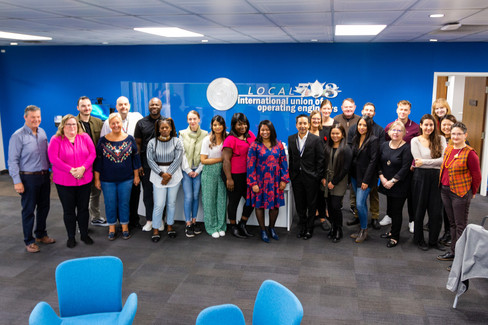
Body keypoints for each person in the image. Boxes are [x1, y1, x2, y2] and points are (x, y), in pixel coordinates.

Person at [8, 105, 55, 253]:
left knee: (44, 207)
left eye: (38, 117)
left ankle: (41, 234)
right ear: (25, 117)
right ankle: (29, 241)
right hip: (27, 178)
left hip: (44, 176)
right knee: (28, 210)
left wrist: (51, 170)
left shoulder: (42, 132)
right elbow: (12, 161)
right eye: (33, 117)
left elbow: (46, 154)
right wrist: (17, 181)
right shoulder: (18, 136)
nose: (36, 120)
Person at [437, 122, 481, 271]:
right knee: (452, 224)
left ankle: (460, 258)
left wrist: (473, 192)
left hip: (460, 193)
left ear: (465, 135)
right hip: (445, 190)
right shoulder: (449, 148)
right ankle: (453, 252)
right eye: (453, 133)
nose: (455, 136)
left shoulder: (470, 153)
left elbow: (477, 175)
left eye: (459, 134)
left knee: (460, 225)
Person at [48, 114, 96, 248]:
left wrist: (83, 168)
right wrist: (71, 170)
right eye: (68, 124)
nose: (72, 127)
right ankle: (71, 236)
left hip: (84, 179)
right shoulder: (56, 139)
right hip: (64, 182)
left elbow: (92, 154)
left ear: (78, 125)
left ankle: (84, 234)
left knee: (83, 209)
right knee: (69, 210)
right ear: (63, 126)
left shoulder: (84, 137)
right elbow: (53, 159)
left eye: (74, 124)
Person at [94, 113, 141, 241]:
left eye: (118, 123)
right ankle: (112, 228)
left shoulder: (130, 139)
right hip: (107, 179)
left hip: (126, 178)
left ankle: (125, 227)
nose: (116, 125)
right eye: (113, 123)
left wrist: (136, 176)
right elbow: (97, 161)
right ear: (109, 125)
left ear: (121, 123)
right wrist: (97, 179)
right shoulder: (103, 141)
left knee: (124, 203)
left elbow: (135, 159)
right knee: (110, 203)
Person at [101, 96, 143, 230]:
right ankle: (119, 222)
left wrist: (138, 167)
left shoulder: (137, 117)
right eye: (120, 105)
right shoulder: (109, 122)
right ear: (116, 106)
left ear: (129, 105)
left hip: (131, 163)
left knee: (133, 194)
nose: (123, 107)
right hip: (113, 165)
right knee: (113, 199)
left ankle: (133, 220)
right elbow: (102, 144)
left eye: (125, 104)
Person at [247, 120, 289, 243]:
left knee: (275, 205)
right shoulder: (254, 145)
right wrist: (253, 183)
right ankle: (263, 230)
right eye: (262, 130)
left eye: (267, 129)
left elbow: (284, 164)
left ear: (271, 130)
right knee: (259, 205)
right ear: (259, 131)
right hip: (260, 180)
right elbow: (250, 165)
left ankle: (272, 228)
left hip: (275, 180)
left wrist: (284, 180)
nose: (265, 132)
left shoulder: (279, 144)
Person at [380, 100, 419, 231]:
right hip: (393, 167)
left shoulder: (416, 128)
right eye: (400, 109)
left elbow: (419, 146)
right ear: (397, 110)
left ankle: (412, 220)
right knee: (391, 195)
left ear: (409, 111)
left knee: (410, 195)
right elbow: (387, 148)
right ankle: (389, 215)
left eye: (405, 110)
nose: (403, 112)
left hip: (410, 168)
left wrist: (413, 164)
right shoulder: (389, 126)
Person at [410, 114, 446, 251]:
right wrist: (432, 162)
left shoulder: (441, 139)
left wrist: (425, 162)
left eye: (431, 125)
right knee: (419, 209)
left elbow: (443, 160)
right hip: (420, 177)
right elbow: (417, 161)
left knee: (436, 212)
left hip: (437, 177)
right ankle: (419, 240)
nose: (428, 127)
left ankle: (433, 241)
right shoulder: (415, 141)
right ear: (421, 125)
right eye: (426, 125)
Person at [346, 102, 385, 229]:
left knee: (373, 195)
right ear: (362, 111)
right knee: (356, 197)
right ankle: (358, 217)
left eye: (371, 110)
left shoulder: (378, 131)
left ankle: (374, 218)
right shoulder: (354, 131)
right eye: (366, 110)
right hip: (355, 172)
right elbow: (350, 149)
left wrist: (372, 175)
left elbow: (378, 154)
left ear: (374, 113)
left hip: (370, 171)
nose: (368, 112)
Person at [288, 114, 325, 240]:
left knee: (311, 203)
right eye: (300, 123)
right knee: (299, 204)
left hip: (311, 178)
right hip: (297, 177)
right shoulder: (291, 139)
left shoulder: (315, 139)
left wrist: (317, 176)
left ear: (308, 124)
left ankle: (309, 228)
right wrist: (292, 175)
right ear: (296, 125)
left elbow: (321, 160)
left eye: (305, 123)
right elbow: (292, 158)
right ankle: (302, 226)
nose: (302, 126)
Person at [146, 118, 183, 242]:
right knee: (159, 204)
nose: (165, 130)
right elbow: (150, 160)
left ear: (171, 128)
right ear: (158, 129)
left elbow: (178, 159)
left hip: (174, 175)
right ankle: (156, 229)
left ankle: (170, 226)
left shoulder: (177, 142)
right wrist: (162, 174)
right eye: (162, 128)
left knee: (171, 203)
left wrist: (168, 174)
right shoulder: (152, 142)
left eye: (167, 127)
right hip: (158, 175)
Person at [377, 121, 413, 248]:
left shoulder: (407, 148)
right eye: (394, 130)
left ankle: (395, 237)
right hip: (386, 182)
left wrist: (392, 181)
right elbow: (379, 163)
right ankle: (392, 231)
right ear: (389, 131)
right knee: (391, 209)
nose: (396, 133)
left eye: (399, 130)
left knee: (397, 211)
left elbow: (405, 168)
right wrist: (382, 178)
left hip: (399, 185)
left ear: (404, 133)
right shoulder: (384, 145)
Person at [222, 113, 256, 238]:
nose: (243, 126)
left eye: (245, 123)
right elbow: (226, 160)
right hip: (234, 175)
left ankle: (242, 223)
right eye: (239, 124)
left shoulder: (250, 135)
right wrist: (229, 179)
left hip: (248, 174)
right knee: (234, 201)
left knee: (252, 199)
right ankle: (233, 226)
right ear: (234, 125)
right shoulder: (230, 139)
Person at [134, 97, 164, 232]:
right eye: (152, 104)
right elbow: (138, 145)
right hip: (146, 165)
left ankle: (160, 219)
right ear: (148, 106)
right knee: (148, 193)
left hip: (163, 165)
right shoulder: (141, 123)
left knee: (161, 195)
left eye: (157, 104)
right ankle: (150, 220)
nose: (154, 106)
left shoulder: (166, 122)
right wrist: (139, 164)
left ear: (161, 106)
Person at [76, 96, 105, 226]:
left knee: (95, 193)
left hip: (96, 164)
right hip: (81, 165)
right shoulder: (73, 123)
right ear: (78, 108)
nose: (86, 108)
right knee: (82, 195)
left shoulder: (99, 122)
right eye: (83, 106)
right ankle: (82, 222)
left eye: (88, 105)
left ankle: (96, 217)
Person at [349, 115, 379, 243]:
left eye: (364, 125)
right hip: (355, 176)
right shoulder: (356, 137)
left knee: (360, 204)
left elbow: (373, 161)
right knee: (361, 204)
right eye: (360, 125)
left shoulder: (373, 140)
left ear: (369, 127)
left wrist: (366, 181)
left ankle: (364, 229)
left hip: (366, 179)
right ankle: (362, 229)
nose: (361, 127)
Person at [179, 110, 208, 238]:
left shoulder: (206, 135)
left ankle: (195, 221)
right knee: (188, 197)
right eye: (190, 119)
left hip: (199, 170)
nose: (192, 121)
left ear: (199, 119)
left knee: (196, 196)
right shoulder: (182, 134)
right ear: (187, 120)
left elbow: (205, 153)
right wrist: (188, 170)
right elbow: (182, 154)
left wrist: (198, 171)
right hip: (186, 171)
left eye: (194, 119)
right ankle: (188, 223)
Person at [322, 123, 352, 243]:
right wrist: (323, 178)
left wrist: (334, 182)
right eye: (333, 133)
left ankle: (339, 229)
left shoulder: (346, 148)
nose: (335, 135)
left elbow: (345, 168)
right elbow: (323, 164)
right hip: (326, 180)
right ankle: (333, 227)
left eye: (337, 133)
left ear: (342, 134)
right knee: (329, 205)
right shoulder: (327, 146)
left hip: (339, 180)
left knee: (335, 205)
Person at [200, 115, 228, 238]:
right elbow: (203, 160)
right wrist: (221, 159)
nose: (217, 127)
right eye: (215, 124)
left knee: (221, 200)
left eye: (219, 124)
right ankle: (211, 227)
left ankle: (221, 226)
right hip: (209, 172)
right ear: (212, 126)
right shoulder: (207, 140)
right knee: (209, 200)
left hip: (223, 171)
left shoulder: (228, 137)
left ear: (223, 125)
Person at [438, 114, 457, 246]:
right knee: (444, 209)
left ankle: (452, 236)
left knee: (452, 211)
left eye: (449, 125)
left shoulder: (458, 141)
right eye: (444, 125)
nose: (446, 127)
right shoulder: (439, 139)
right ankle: (446, 233)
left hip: (454, 182)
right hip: (441, 179)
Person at [309, 110, 330, 231]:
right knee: (310, 195)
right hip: (308, 169)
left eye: (318, 119)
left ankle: (322, 217)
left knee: (321, 195)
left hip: (322, 168)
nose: (316, 121)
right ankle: (311, 216)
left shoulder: (325, 132)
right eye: (314, 119)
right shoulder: (305, 132)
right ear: (310, 120)